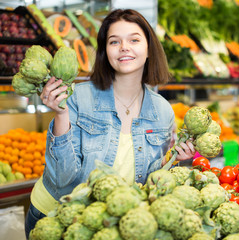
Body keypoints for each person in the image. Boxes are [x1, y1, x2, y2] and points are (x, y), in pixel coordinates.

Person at [25, 9, 196, 238]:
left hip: (106, 222)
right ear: (106, 52)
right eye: (114, 41)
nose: (124, 47)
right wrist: (61, 115)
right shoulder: (77, 97)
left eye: (134, 40)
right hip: (54, 215)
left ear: (149, 49)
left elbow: (150, 181)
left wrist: (177, 161)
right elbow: (62, 179)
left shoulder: (162, 111)